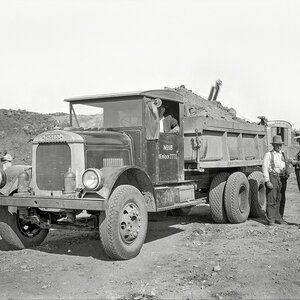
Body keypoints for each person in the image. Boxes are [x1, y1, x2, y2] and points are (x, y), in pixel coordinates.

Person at [262, 135, 290, 226]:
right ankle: (271, 220)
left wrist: (287, 173)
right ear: (273, 145)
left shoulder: (283, 154)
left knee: (281, 199)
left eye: (280, 144)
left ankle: (279, 218)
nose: (279, 146)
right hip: (273, 177)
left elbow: (286, 164)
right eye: (277, 144)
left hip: (282, 178)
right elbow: (265, 168)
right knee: (271, 198)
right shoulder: (268, 154)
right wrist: (267, 181)